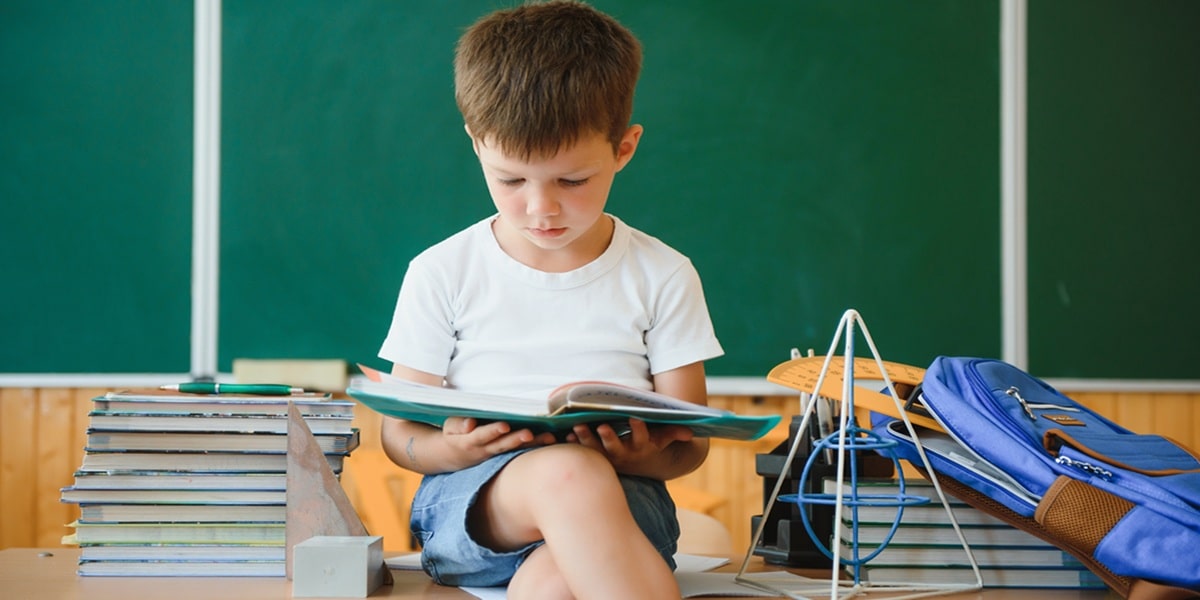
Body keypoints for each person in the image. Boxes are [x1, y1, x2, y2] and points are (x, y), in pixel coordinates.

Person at [378, 2, 723, 598]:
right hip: (473, 505)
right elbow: (398, 432)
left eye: (572, 181)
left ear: (624, 148)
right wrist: (448, 446)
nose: (542, 208)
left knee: (556, 585)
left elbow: (689, 445)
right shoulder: (442, 271)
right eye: (511, 179)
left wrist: (644, 454)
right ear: (477, 144)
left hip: (626, 504)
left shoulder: (663, 274)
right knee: (569, 471)